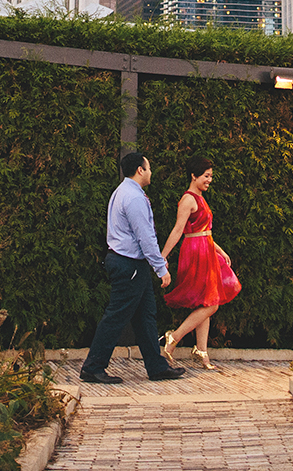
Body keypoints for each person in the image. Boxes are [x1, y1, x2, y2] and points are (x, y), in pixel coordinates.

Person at [79, 152, 188, 384]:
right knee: (116, 316)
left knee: (145, 316)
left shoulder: (122, 192)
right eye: (148, 168)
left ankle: (157, 367)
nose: (151, 172)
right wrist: (161, 268)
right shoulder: (134, 197)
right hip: (130, 265)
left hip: (128, 263)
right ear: (140, 170)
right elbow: (145, 237)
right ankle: (93, 367)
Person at [158, 156, 241, 370]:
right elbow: (178, 230)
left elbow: (205, 230)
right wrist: (163, 256)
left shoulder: (201, 198)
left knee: (206, 301)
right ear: (193, 176)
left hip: (206, 249)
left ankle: (201, 352)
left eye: (211, 176)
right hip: (195, 253)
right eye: (206, 176)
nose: (209, 180)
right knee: (211, 303)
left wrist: (220, 251)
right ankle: (173, 338)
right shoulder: (188, 200)